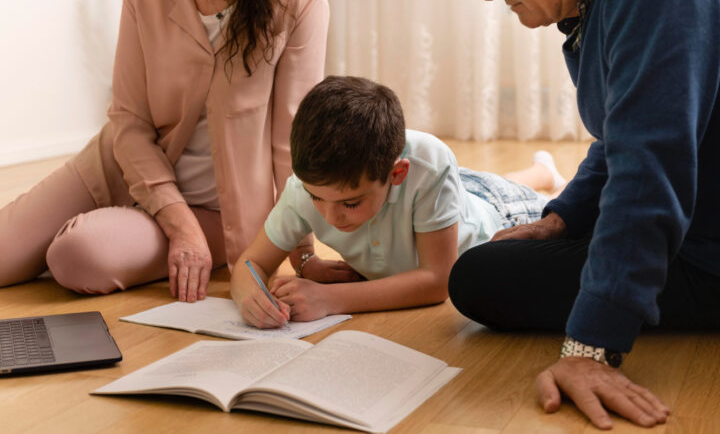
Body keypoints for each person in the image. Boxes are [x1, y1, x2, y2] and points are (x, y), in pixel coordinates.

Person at [450, 0, 720, 429]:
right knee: (490, 264)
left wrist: (590, 347)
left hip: (707, 249)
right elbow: (622, 133)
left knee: (479, 279)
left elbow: (649, 172)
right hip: (695, 222)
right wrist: (561, 219)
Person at [0, 0, 329, 303]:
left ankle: (111, 234)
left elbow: (294, 138)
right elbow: (129, 121)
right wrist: (180, 227)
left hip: (218, 211)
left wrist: (302, 253)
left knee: (75, 256)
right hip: (119, 167)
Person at [230, 75, 565, 327]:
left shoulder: (429, 165)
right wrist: (250, 295)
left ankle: (546, 175)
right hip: (452, 190)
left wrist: (331, 298)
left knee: (554, 206)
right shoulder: (307, 185)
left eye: (350, 204)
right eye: (316, 197)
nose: (331, 217)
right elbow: (251, 263)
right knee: (472, 181)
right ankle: (542, 170)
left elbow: (437, 281)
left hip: (494, 213)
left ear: (397, 173)